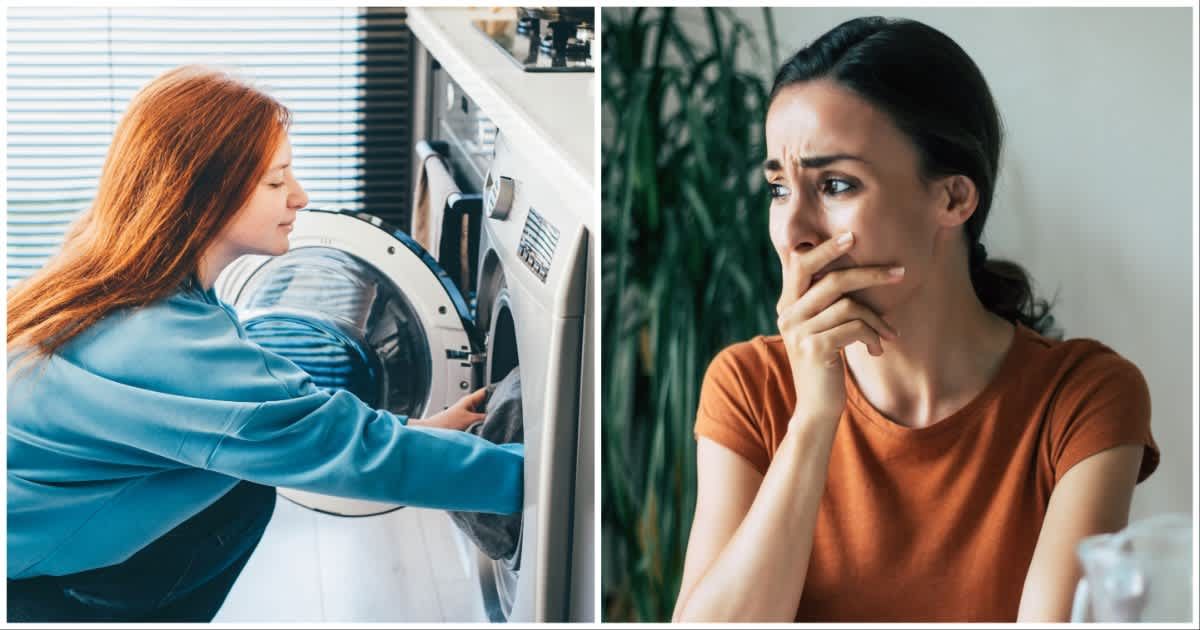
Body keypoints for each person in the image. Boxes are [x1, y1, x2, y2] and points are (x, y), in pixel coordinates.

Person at [672, 17, 1159, 623]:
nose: (792, 232)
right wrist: (815, 419)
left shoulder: (1083, 398)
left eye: (836, 184)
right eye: (778, 188)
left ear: (953, 198)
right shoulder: (750, 384)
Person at [6, 65, 523, 622]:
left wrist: (420, 429)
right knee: (245, 493)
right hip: (39, 591)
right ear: (203, 196)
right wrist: (545, 478)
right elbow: (339, 449)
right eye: (276, 182)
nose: (299, 196)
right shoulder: (165, 342)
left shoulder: (113, 278)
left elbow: (298, 420)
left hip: (31, 545)